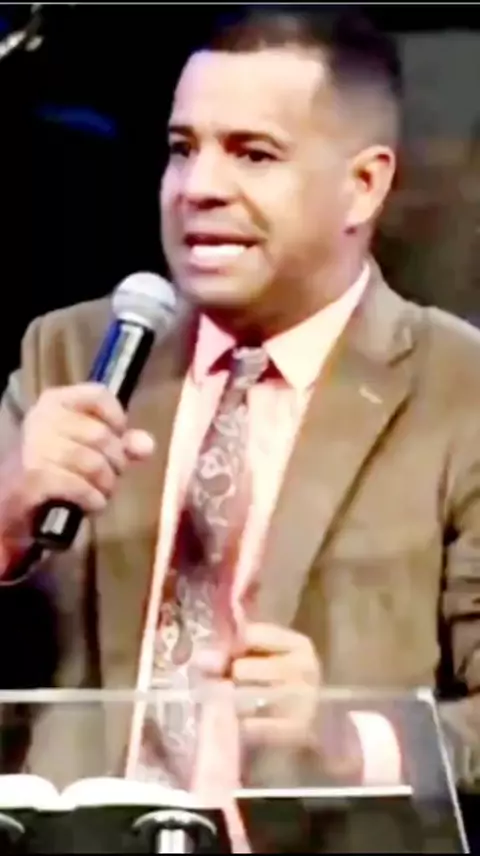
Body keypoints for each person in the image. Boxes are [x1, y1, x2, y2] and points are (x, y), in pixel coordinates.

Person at [0, 3, 479, 803]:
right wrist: (4, 525)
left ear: (363, 185)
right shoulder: (72, 353)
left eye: (253, 155)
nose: (199, 188)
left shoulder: (460, 390)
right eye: (182, 150)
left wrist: (351, 740)